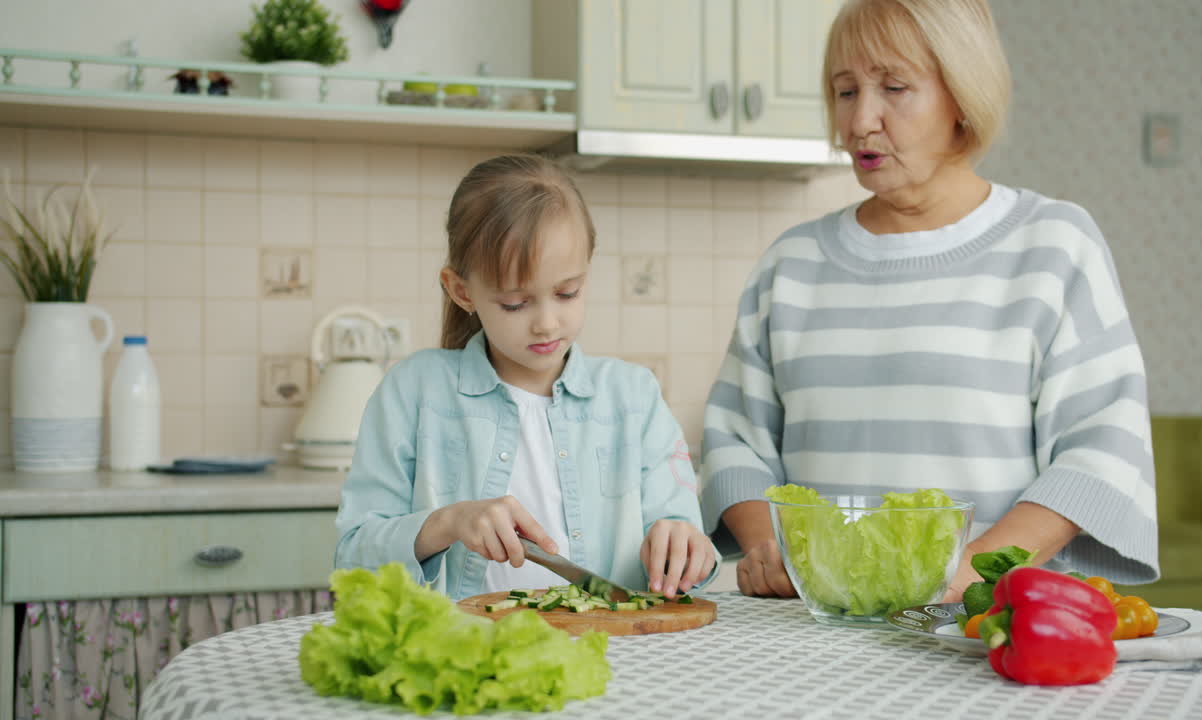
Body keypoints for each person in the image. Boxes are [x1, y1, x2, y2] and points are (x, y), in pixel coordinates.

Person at [700, 0, 1158, 601]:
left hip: (984, 629)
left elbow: (1103, 449)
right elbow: (733, 439)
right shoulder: (792, 263)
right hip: (819, 628)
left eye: (894, 87)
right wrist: (771, 547)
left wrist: (967, 574)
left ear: (963, 98)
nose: (862, 119)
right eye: (845, 92)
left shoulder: (1054, 245)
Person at [335, 154, 717, 600]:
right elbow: (351, 558)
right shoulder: (413, 392)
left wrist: (685, 545)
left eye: (567, 292)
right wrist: (447, 522)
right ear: (462, 291)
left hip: (617, 656)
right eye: (516, 303)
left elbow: (692, 550)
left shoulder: (634, 397)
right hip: (468, 656)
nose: (547, 324)